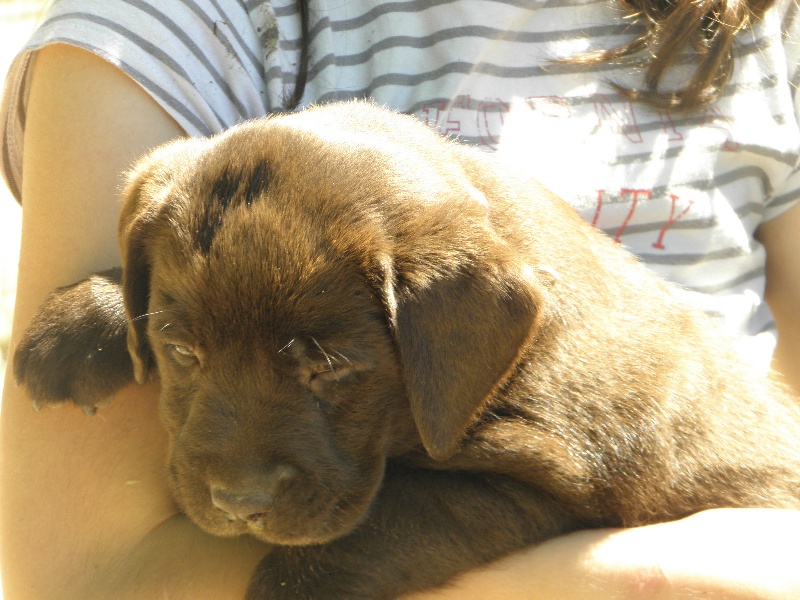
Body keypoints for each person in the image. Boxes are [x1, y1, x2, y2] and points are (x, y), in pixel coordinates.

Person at [1, 0, 800, 598]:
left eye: (324, 370)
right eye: (183, 350)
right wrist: (124, 311)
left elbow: (519, 488)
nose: (237, 482)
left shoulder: (512, 359)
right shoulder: (175, 21)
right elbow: (80, 574)